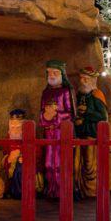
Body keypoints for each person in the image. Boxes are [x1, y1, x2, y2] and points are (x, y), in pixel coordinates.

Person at [39, 59, 75, 198]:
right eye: (49, 73)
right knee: (48, 162)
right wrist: (46, 117)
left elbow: (71, 113)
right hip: (49, 132)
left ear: (62, 74)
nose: (52, 75)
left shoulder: (66, 91)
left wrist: (56, 115)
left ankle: (62, 190)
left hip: (61, 132)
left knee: (60, 163)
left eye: (55, 72)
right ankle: (51, 190)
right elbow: (41, 112)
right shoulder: (45, 93)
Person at [73, 66, 109, 198]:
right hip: (79, 134)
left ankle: (92, 189)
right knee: (78, 162)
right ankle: (80, 189)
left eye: (86, 79)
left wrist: (86, 113)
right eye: (81, 78)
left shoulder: (97, 94)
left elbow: (102, 116)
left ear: (92, 80)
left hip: (91, 135)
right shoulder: (79, 95)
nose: (82, 81)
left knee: (89, 164)